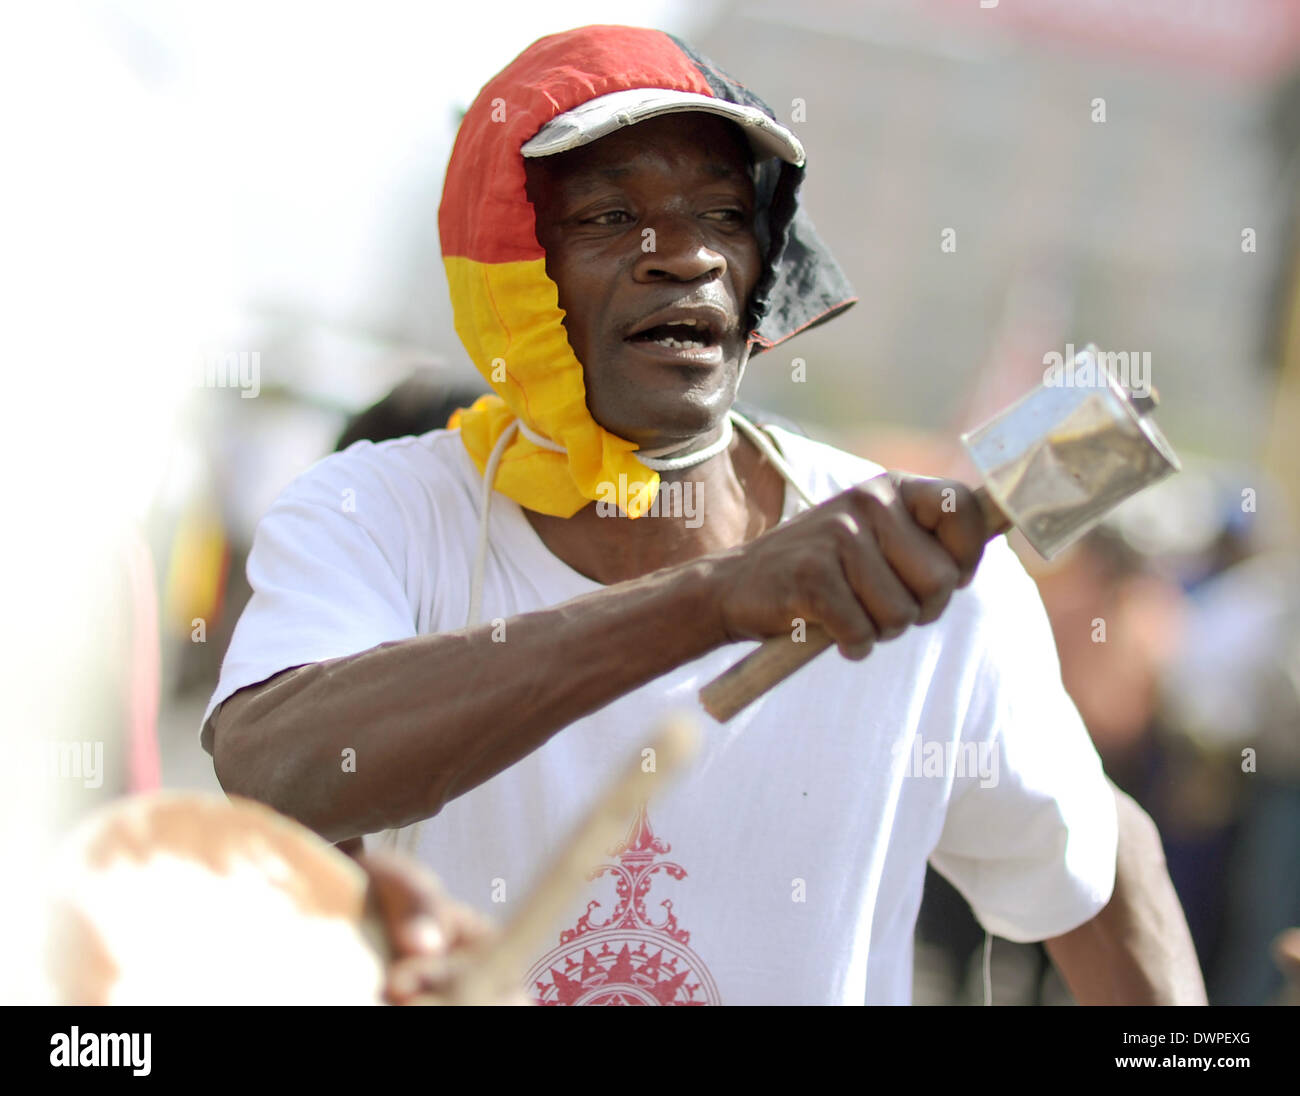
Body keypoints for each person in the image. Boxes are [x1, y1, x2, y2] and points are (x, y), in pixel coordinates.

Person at [203, 25, 1203, 1005]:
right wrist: (716, 600)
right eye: (604, 217)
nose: (683, 256)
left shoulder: (926, 576)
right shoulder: (374, 511)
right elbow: (279, 768)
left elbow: (1102, 864)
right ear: (505, 266)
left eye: (723, 215)